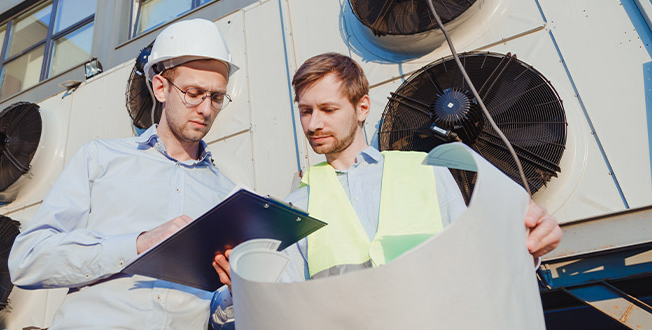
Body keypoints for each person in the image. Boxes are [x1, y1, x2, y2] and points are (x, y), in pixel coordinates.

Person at [213, 52, 561, 284]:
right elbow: (284, 304)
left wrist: (526, 246)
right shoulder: (294, 208)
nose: (314, 124)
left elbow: (476, 265)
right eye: (306, 111)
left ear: (362, 107)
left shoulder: (428, 171)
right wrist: (241, 286)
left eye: (328, 109)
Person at [8, 18, 239, 330]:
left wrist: (234, 297)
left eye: (216, 97)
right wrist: (138, 245)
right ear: (160, 87)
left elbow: (209, 313)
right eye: (194, 92)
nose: (206, 109)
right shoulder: (101, 158)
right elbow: (27, 260)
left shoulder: (225, 194)